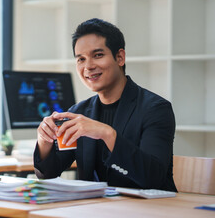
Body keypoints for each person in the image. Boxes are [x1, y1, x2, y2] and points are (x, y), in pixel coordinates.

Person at [33, 18, 177, 191]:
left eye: (98, 55)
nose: (88, 66)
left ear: (120, 57)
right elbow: (47, 174)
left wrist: (107, 134)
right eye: (81, 59)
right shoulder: (78, 111)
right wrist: (44, 140)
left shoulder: (155, 109)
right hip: (95, 210)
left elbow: (152, 178)